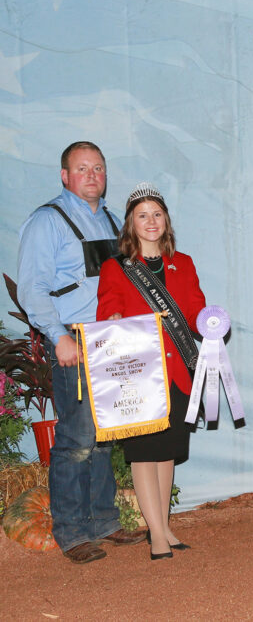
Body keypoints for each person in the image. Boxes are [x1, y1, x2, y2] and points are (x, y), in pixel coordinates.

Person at [16, 142, 146, 564]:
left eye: (99, 168)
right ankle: (71, 531)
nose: (92, 175)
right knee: (76, 439)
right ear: (64, 175)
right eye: (82, 168)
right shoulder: (47, 221)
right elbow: (32, 289)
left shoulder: (111, 220)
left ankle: (105, 521)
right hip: (74, 338)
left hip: (112, 338)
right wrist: (58, 336)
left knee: (105, 435)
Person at [97, 183, 207, 559]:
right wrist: (113, 318)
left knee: (166, 453)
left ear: (166, 221)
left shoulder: (185, 263)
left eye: (156, 214)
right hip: (138, 374)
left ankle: (165, 526)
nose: (151, 221)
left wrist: (209, 320)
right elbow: (108, 308)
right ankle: (156, 535)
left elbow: (193, 310)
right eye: (142, 215)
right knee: (144, 453)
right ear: (130, 223)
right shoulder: (115, 268)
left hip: (178, 371)